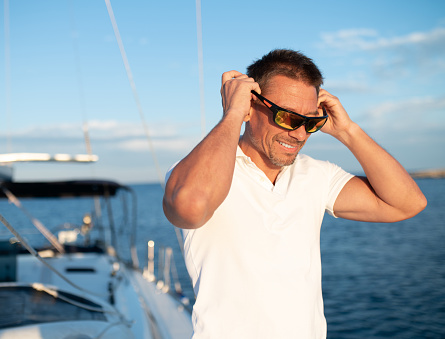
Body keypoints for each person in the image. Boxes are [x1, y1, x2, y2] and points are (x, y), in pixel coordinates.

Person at [163, 49, 427, 339]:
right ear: (251, 105)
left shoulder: (316, 175)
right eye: (287, 117)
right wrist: (233, 114)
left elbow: (407, 204)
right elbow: (189, 206)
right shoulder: (200, 171)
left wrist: (348, 131)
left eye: (310, 122)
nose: (300, 134)